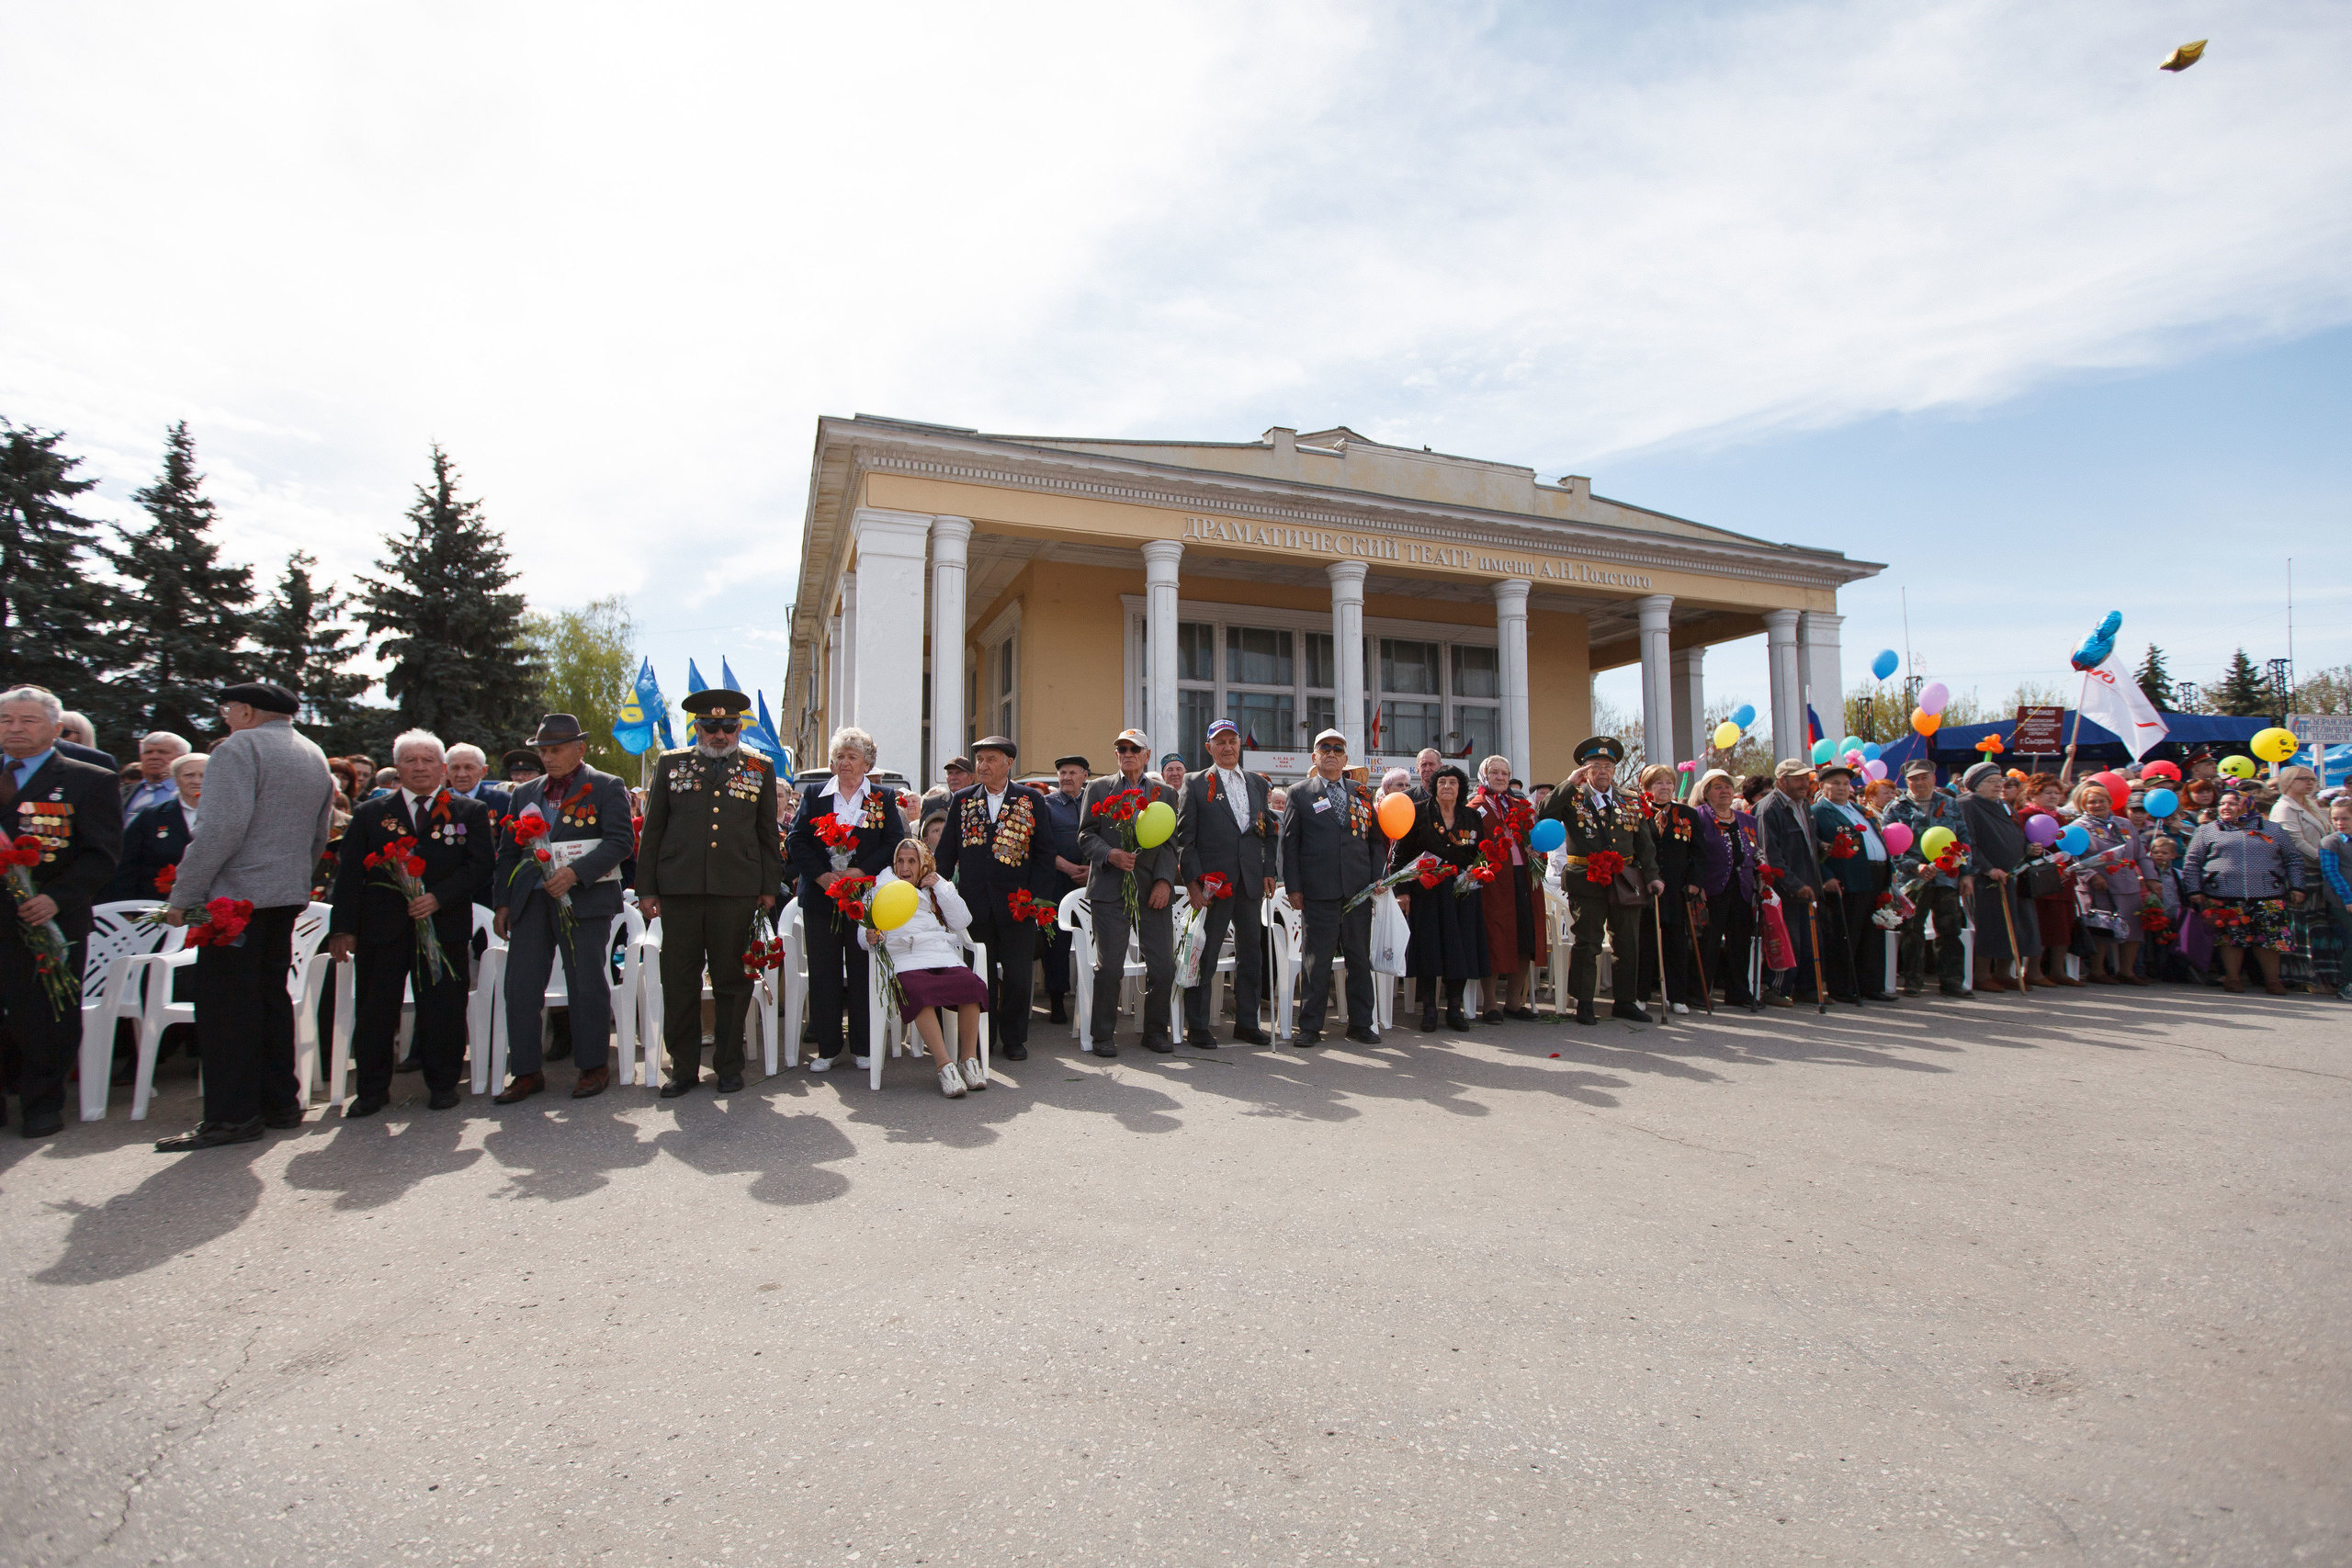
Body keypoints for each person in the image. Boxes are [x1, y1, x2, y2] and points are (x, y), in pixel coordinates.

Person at [153, 682, 333, 1151]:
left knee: (227, 1009)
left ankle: (232, 1116)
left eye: (228, 709)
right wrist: (291, 877)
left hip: (236, 900)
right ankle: (280, 1104)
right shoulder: (311, 752)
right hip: (284, 894)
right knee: (269, 1000)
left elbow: (220, 828)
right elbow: (320, 833)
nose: (225, 718)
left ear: (248, 711)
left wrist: (183, 895)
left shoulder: (240, 747)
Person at [325, 731, 492, 1115]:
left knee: (443, 1008)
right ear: (397, 766)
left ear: (443, 768)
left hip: (444, 924)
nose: (420, 767)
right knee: (376, 1010)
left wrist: (438, 897)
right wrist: (342, 927)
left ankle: (443, 1084)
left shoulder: (469, 811)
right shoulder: (371, 813)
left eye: (428, 760)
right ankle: (370, 1090)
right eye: (411, 760)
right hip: (382, 929)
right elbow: (349, 874)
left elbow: (480, 866)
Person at [633, 692, 782, 1094]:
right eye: (711, 727)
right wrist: (646, 887)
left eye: (728, 727)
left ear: (739, 728)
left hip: (736, 891)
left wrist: (769, 888)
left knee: (733, 981)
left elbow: (768, 833)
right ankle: (683, 1067)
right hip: (679, 890)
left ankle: (729, 1066)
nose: (719, 734)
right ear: (697, 728)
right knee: (679, 980)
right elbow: (653, 830)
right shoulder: (671, 764)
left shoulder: (759, 767)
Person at [490, 714, 637, 1100]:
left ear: (580, 749)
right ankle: (525, 1071)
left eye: (556, 750)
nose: (549, 758)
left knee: (586, 982)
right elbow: (508, 852)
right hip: (532, 901)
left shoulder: (606, 786)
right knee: (520, 986)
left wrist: (574, 874)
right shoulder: (525, 794)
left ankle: (593, 1066)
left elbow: (620, 841)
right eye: (544, 751)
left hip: (585, 900)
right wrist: (502, 904)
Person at [0, 687, 122, 1137]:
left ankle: (42, 1104)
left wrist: (58, 897)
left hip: (47, 918)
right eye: (6, 720)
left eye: (28, 721)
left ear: (55, 728)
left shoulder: (88, 779)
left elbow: (102, 854)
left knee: (45, 1016)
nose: (15, 729)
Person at [785, 725, 902, 1072]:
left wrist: (861, 871)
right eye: (839, 757)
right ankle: (828, 1048)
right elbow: (797, 841)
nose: (845, 763)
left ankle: (864, 1046)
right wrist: (822, 876)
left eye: (852, 757)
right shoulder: (814, 794)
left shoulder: (882, 797)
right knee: (824, 972)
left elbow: (892, 843)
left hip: (864, 899)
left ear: (867, 763)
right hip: (822, 898)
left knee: (864, 969)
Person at [939, 736, 1055, 1060]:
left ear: (1008, 764)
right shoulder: (962, 800)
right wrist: (936, 892)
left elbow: (1044, 855)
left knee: (1018, 976)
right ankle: (981, 1040)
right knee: (980, 976)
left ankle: (1014, 1037)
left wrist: (1035, 901)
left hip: (1018, 906)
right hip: (974, 906)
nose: (983, 765)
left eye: (991, 759)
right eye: (979, 760)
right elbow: (947, 852)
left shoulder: (1031, 800)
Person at [1540, 736, 1662, 1024]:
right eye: (1596, 766)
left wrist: (1654, 877)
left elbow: (1645, 844)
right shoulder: (1573, 796)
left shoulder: (1631, 800)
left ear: (1615, 770)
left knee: (1627, 943)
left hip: (1626, 880)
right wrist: (1569, 782)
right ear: (1586, 770)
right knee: (1588, 942)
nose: (1603, 771)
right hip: (1587, 880)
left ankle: (1625, 1001)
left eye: (1608, 766)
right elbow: (1545, 813)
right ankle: (1583, 1003)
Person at [861, 839, 990, 1097]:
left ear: (923, 864)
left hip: (940, 953)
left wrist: (941, 885)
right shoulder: (879, 889)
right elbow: (863, 931)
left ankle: (968, 1060)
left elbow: (963, 921)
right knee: (917, 991)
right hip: (905, 956)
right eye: (900, 861)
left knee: (971, 985)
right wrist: (869, 937)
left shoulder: (934, 889)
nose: (905, 867)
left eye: (912, 861)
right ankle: (945, 1066)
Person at [1079, 728, 1180, 1055]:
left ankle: (1155, 1032)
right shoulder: (1097, 789)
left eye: (1134, 748)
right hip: (1110, 887)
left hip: (1152, 890)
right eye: (1121, 748)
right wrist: (1110, 854)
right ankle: (1103, 1035)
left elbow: (1168, 844)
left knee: (1163, 966)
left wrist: (1165, 881)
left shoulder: (1165, 793)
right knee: (1109, 968)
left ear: (1147, 754)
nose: (1127, 753)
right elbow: (1085, 836)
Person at [1176, 719, 1275, 1046]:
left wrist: (1269, 870)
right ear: (1209, 748)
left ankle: (1247, 1022)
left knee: (1252, 955)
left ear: (1239, 745)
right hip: (1212, 885)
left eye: (1232, 741)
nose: (1228, 747)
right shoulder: (1194, 783)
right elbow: (1184, 839)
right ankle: (1199, 1025)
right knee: (1205, 954)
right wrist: (1192, 883)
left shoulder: (1257, 784)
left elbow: (1267, 831)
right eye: (1220, 742)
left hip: (1249, 882)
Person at [1280, 728, 1382, 1045]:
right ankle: (1310, 1026)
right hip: (1318, 890)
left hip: (1357, 889)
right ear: (1314, 757)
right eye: (1325, 748)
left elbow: (1378, 841)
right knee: (1317, 960)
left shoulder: (1362, 793)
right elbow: (1290, 844)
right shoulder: (1299, 792)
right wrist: (1294, 887)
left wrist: (1378, 875)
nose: (1332, 753)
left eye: (1338, 749)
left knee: (1359, 959)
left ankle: (1362, 1024)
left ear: (1346, 758)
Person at [2185, 780, 2308, 995]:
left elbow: (2293, 860)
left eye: (2232, 803)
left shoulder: (2272, 829)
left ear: (2247, 804)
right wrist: (2194, 890)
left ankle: (2273, 980)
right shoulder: (2207, 831)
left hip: (2268, 894)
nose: (2225, 807)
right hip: (2223, 894)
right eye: (2222, 804)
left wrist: (2297, 886)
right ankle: (2232, 978)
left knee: (2270, 939)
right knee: (2231, 938)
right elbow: (2192, 862)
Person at [1394, 762, 1488, 1032]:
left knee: (1459, 950)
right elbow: (1400, 856)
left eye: (1453, 783)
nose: (1447, 787)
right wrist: (1402, 892)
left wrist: (1475, 871)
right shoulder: (1419, 812)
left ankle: (1455, 1009)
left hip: (1461, 892)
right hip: (1427, 893)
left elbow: (1480, 855)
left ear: (1461, 788)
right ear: (1434, 787)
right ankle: (1430, 1010)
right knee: (1429, 951)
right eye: (1442, 782)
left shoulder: (1471, 818)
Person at [1882, 760, 1973, 998]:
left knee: (1950, 929)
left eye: (1924, 777)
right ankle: (1913, 982)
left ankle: (1952, 982)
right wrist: (1916, 866)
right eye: (1914, 778)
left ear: (1934, 777)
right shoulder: (1895, 808)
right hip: (1912, 880)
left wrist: (1965, 874)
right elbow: (1890, 846)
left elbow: (1963, 840)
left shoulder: (1950, 803)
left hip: (1947, 878)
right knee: (1912, 931)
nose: (1920, 782)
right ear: (1906, 781)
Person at [1756, 759, 1839, 1004]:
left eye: (1807, 778)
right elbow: (1770, 854)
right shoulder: (1769, 808)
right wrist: (1794, 884)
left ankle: (1808, 987)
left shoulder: (1804, 805)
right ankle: (1777, 988)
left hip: (1807, 884)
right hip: (1784, 887)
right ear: (1783, 781)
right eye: (1799, 779)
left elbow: (1808, 844)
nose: (1806, 783)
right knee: (1787, 940)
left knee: (1810, 940)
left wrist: (1824, 850)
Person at [1812, 762, 1896, 1002]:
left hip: (1875, 875)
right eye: (1835, 783)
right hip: (1848, 879)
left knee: (1873, 931)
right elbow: (1813, 849)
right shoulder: (1817, 812)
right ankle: (1843, 987)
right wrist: (1826, 876)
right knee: (1847, 933)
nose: (1841, 788)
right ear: (1822, 786)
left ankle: (1870, 984)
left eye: (1845, 783)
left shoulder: (1861, 810)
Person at [1470, 755, 1542, 1021]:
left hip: (1523, 876)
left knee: (1525, 937)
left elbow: (1532, 837)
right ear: (1484, 776)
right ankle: (1489, 1005)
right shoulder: (1474, 807)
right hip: (1493, 881)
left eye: (1504, 773)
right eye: (1494, 773)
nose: (1500, 777)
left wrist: (1535, 849)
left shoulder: (1519, 805)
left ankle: (1513, 1002)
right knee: (1495, 939)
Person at [1634, 762, 1707, 1014]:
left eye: (1668, 783)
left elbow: (1699, 853)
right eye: (1658, 783)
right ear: (1647, 787)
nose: (1664, 788)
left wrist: (1695, 883)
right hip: (1645, 889)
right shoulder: (1638, 813)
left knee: (1676, 943)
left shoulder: (1688, 814)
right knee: (1645, 943)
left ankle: (1677, 996)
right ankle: (1640, 994)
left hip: (1677, 889)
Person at [1958, 761, 2035, 993]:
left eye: (2000, 781)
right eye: (1992, 782)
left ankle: (2004, 973)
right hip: (1986, 876)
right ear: (1977, 785)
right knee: (1990, 925)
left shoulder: (2005, 806)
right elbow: (1968, 841)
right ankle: (1982, 974)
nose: (1998, 786)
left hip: (2013, 873)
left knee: (2014, 923)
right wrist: (1987, 868)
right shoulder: (1968, 805)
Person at [2071, 779, 2155, 985]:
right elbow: (2074, 857)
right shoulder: (2078, 827)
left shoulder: (2124, 824)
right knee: (2102, 929)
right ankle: (2097, 971)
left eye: (2102, 801)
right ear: (2083, 805)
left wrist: (2152, 879)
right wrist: (2091, 875)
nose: (2097, 805)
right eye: (2092, 802)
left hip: (2128, 885)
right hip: (2099, 886)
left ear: (2110, 802)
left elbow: (2141, 855)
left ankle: (2127, 972)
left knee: (2133, 930)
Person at [1691, 767, 1760, 1009]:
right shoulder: (1698, 817)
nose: (1725, 791)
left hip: (1742, 887)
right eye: (1718, 787)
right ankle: (1700, 991)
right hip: (1711, 887)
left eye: (1728, 786)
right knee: (1709, 941)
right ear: (1707, 792)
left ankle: (1739, 991)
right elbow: (1694, 854)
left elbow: (1756, 852)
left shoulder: (1747, 820)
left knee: (1741, 940)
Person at [103, 751, 204, 904]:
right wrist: (126, 905)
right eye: (189, 775)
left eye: (203, 775)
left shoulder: (228, 815)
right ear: (175, 779)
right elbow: (128, 862)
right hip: (154, 904)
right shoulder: (151, 816)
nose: (196, 781)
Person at [1036, 755, 1091, 1026]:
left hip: (1092, 882)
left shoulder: (1095, 802)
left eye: (1072, 772)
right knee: (1055, 943)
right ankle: (1057, 1001)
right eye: (1062, 773)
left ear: (1085, 776)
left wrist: (1092, 869)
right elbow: (1041, 846)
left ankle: (1091, 998)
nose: (1067, 777)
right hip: (1056, 882)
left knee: (1092, 941)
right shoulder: (1046, 805)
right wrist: (1069, 868)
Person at [2268, 765, 2331, 993]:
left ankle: (2322, 976)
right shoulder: (2284, 808)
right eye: (2303, 779)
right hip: (2299, 873)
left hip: (2318, 873)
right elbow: (2295, 842)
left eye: (2313, 779)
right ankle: (2303, 977)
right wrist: (2326, 860)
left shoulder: (2312, 806)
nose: (2309, 783)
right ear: (2289, 781)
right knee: (2300, 927)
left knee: (2318, 926)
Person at [2314, 795, 2352, 999]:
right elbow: (2330, 873)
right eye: (2336, 819)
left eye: (2345, 818)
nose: (2339, 823)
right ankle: (2346, 984)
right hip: (2342, 901)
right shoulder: (2331, 841)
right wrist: (2348, 899)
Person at [120, 730, 190, 818]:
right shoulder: (123, 792)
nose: (154, 757)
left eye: (162, 752)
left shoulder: (193, 793)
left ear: (182, 758)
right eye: (148, 752)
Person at [444, 743, 513, 818]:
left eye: (468, 768)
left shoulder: (503, 801)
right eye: (455, 768)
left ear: (483, 771)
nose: (461, 774)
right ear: (446, 771)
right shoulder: (437, 801)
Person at [54, 708, 118, 772]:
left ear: (83, 735)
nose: (58, 737)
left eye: (64, 732)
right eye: (54, 731)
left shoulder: (101, 761)